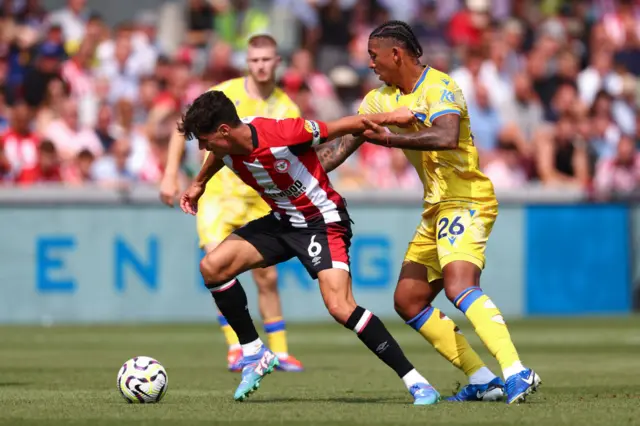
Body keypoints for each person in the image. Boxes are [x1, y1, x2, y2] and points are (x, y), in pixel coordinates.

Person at [178, 89, 440, 405]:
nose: (203, 147)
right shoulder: (227, 143)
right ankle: (254, 352)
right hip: (282, 221)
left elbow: (346, 124)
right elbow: (219, 154)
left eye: (205, 140)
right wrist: (200, 183)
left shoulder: (284, 133)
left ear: (224, 131)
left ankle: (417, 383)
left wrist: (392, 117)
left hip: (323, 221)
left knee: (341, 307)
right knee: (212, 268)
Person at [330, 20, 541, 404]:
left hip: (468, 198)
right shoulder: (378, 100)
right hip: (435, 208)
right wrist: (286, 164)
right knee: (408, 299)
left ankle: (516, 370)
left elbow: (445, 136)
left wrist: (391, 139)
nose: (371, 65)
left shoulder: (441, 87)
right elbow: (339, 148)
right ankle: (482, 379)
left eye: (374, 57)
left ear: (397, 54)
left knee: (460, 285)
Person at [160, 35, 304, 372]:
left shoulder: (287, 107)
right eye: (255, 60)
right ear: (247, 63)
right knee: (218, 265)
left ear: (277, 62)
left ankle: (280, 352)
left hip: (259, 199)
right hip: (219, 197)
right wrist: (169, 174)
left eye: (267, 59)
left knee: (266, 278)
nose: (261, 66)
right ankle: (238, 348)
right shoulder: (225, 95)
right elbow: (182, 129)